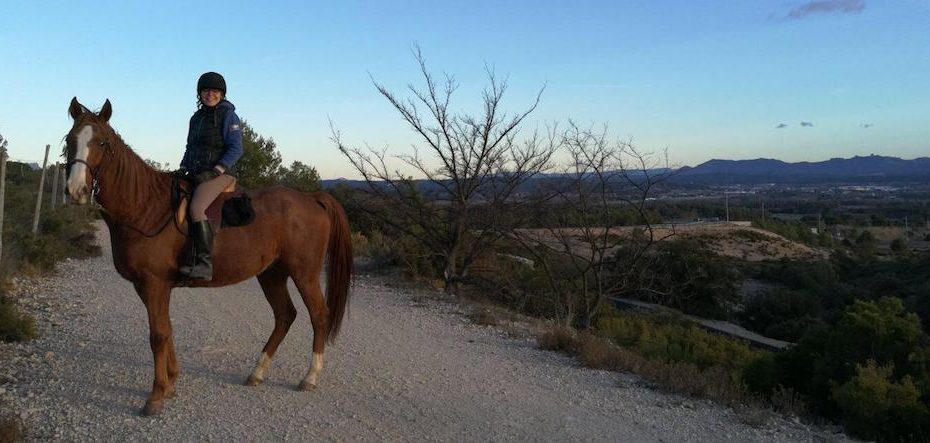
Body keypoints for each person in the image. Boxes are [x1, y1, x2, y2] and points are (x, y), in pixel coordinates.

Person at [176, 72, 243, 281]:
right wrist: (183, 166)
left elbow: (236, 148)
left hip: (219, 175)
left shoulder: (228, 116)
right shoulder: (195, 118)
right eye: (206, 90)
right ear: (200, 93)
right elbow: (190, 147)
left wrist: (217, 170)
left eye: (215, 91)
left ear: (222, 94)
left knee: (196, 208)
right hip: (196, 172)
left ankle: (205, 264)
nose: (210, 94)